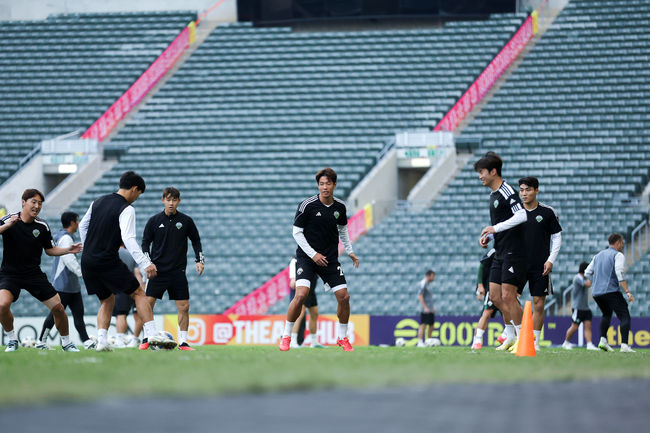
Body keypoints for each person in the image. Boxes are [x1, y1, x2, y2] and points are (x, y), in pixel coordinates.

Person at [79, 171, 175, 351]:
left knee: (107, 300)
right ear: (134, 189)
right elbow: (128, 238)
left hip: (87, 260)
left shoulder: (97, 201)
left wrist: (88, 247)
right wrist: (146, 263)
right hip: (106, 258)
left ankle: (102, 341)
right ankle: (152, 333)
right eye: (138, 194)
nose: (137, 198)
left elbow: (83, 225)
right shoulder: (127, 208)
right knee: (138, 293)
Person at [280, 167, 359, 352]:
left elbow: (343, 230)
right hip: (307, 258)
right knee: (301, 295)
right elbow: (296, 233)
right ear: (318, 185)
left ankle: (342, 338)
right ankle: (286, 336)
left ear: (334, 185)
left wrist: (350, 251)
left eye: (328, 184)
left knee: (344, 297)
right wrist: (313, 254)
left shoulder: (340, 207)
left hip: (329, 259)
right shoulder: (307, 205)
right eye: (322, 184)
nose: (325, 187)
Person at [0, 189, 81, 352]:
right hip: (10, 274)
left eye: (40, 203)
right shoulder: (8, 219)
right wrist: (9, 225)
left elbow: (50, 250)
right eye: (33, 202)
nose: (37, 206)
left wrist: (67, 249)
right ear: (23, 202)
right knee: (2, 305)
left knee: (58, 308)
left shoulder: (42, 226)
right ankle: (12, 340)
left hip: (33, 274)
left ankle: (66, 343)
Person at [141, 187, 204, 351]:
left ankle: (183, 342)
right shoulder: (154, 221)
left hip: (178, 271)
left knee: (184, 306)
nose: (171, 203)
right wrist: (148, 262)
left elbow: (196, 241)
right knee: (147, 304)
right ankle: (147, 337)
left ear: (178, 201)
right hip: (157, 271)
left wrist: (199, 260)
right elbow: (145, 244)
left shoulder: (186, 221)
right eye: (168, 199)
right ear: (162, 200)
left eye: (174, 200)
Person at [475, 152, 527, 351]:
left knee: (508, 296)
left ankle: (524, 337)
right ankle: (511, 337)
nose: (480, 176)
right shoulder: (493, 195)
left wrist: (494, 228)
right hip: (499, 250)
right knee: (495, 297)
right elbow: (502, 225)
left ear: (493, 171)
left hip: (514, 251)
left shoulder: (507, 191)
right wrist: (490, 235)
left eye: (482, 172)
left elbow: (521, 215)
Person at [36, 212, 95, 350]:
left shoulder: (65, 237)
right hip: (63, 284)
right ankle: (41, 341)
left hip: (71, 285)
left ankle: (86, 341)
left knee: (78, 313)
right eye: (77, 220)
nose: (78, 223)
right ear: (73, 222)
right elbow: (68, 259)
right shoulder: (65, 238)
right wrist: (82, 273)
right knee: (55, 314)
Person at [518, 177, 562, 352]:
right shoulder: (515, 211)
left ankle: (534, 341)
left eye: (527, 190)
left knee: (538, 303)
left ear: (536, 190)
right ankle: (516, 335)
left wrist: (551, 259)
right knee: (510, 298)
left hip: (540, 266)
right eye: (521, 190)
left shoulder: (547, 212)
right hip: (517, 264)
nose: (524, 193)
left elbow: (557, 236)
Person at [584, 233, 635, 353]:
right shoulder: (618, 255)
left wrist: (595, 282)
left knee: (606, 314)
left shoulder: (598, 255)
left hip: (597, 293)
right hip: (610, 291)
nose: (622, 245)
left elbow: (587, 272)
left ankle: (603, 341)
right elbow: (619, 273)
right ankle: (624, 346)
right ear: (617, 243)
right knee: (624, 316)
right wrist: (627, 291)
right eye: (622, 242)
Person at [471, 248, 504, 350]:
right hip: (493, 287)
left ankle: (510, 337)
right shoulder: (495, 251)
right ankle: (477, 340)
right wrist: (480, 285)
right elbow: (482, 265)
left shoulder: (513, 252)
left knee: (510, 313)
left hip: (507, 288)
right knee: (487, 312)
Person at [112, 245, 144, 348]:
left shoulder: (113, 252)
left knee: (121, 315)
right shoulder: (131, 253)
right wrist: (141, 290)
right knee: (137, 315)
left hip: (120, 287)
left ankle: (120, 340)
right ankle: (135, 339)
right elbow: (137, 272)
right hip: (134, 286)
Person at [288, 256, 324, 348]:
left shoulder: (315, 260)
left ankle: (314, 341)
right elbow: (292, 284)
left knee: (314, 314)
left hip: (311, 292)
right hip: (302, 291)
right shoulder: (295, 261)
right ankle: (293, 340)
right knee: (300, 314)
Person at [562, 262, 598, 351]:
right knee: (574, 326)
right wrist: (595, 276)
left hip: (585, 307)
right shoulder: (577, 278)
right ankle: (566, 342)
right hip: (577, 307)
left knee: (588, 326)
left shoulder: (584, 278)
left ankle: (589, 344)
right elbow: (588, 284)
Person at [416, 270, 436, 348]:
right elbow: (420, 296)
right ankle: (420, 341)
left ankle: (428, 341)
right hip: (425, 309)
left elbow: (429, 297)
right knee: (423, 325)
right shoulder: (423, 284)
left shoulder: (429, 284)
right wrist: (425, 307)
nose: (433, 278)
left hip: (430, 308)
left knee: (431, 325)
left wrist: (432, 307)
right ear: (428, 275)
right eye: (433, 276)